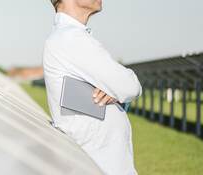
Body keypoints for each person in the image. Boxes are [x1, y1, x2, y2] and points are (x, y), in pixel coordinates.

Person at [42, 0, 143, 174]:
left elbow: (122, 90)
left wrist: (115, 94)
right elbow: (130, 86)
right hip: (99, 164)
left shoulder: (68, 37)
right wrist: (119, 92)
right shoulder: (71, 38)